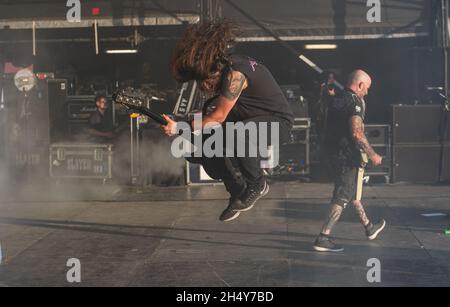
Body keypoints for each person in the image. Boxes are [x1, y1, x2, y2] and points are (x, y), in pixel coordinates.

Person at [161, 20, 294, 222]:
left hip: (278, 125)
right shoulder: (228, 70)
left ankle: (257, 184)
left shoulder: (236, 74)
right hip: (251, 124)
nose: (206, 88)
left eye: (207, 83)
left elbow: (219, 117)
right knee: (197, 148)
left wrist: (180, 127)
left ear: (214, 74)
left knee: (235, 131)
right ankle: (236, 190)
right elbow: (214, 123)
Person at [313, 69, 386, 252]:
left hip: (332, 153)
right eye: (366, 88)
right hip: (345, 156)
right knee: (343, 194)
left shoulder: (336, 98)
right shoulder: (354, 102)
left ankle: (369, 227)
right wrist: (372, 154)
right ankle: (323, 237)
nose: (367, 92)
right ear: (360, 85)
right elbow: (356, 132)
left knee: (351, 191)